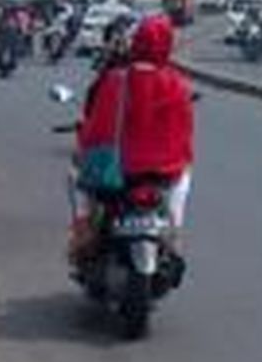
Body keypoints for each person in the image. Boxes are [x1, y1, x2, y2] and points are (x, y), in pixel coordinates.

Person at [69, 15, 195, 262]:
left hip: (119, 171)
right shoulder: (178, 85)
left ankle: (83, 228)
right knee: (184, 176)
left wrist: (85, 142)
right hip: (164, 172)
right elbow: (184, 134)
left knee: (76, 173)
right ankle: (175, 230)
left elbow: (97, 126)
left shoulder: (116, 79)